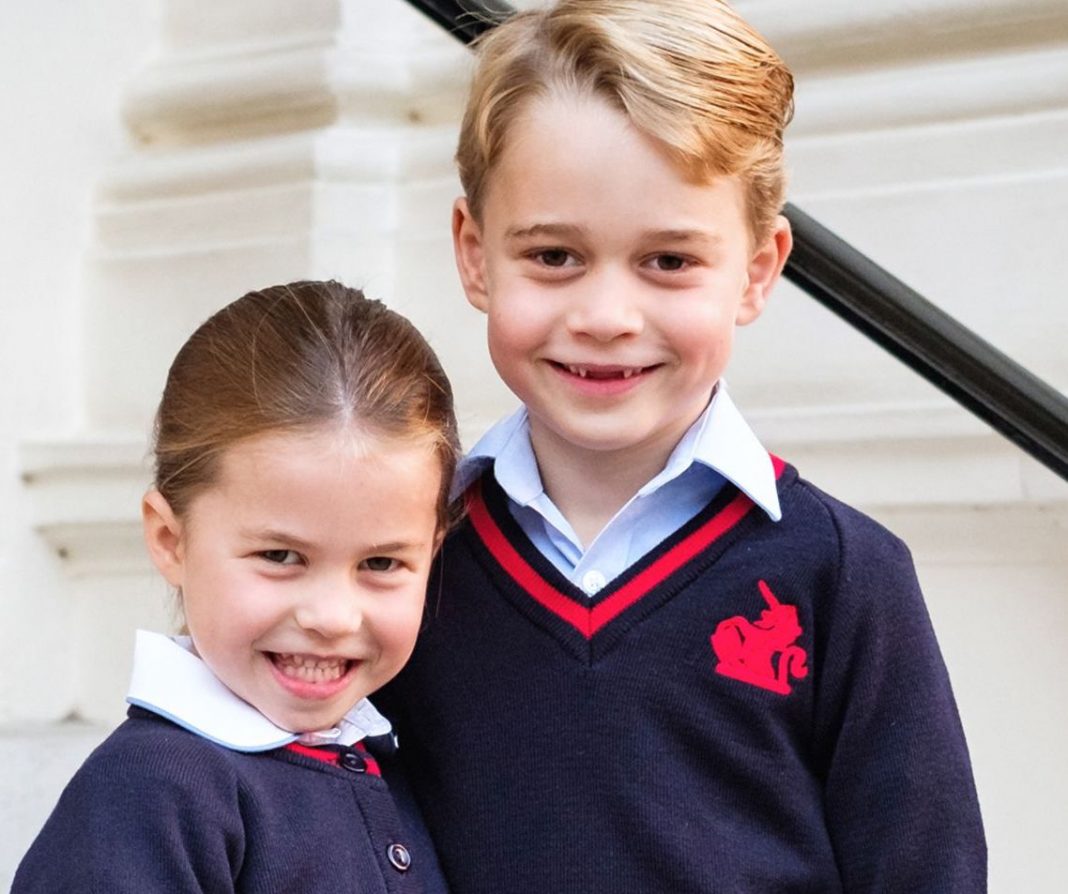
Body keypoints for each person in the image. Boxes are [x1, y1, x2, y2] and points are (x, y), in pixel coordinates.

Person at [377, 1, 987, 891]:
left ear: (758, 270)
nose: (605, 318)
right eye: (553, 256)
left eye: (668, 261)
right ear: (475, 254)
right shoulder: (407, 561)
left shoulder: (845, 574)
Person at [14, 281, 457, 893]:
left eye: (381, 564)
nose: (332, 616)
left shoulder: (393, 759)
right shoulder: (152, 793)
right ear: (172, 540)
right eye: (281, 556)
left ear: (433, 552)